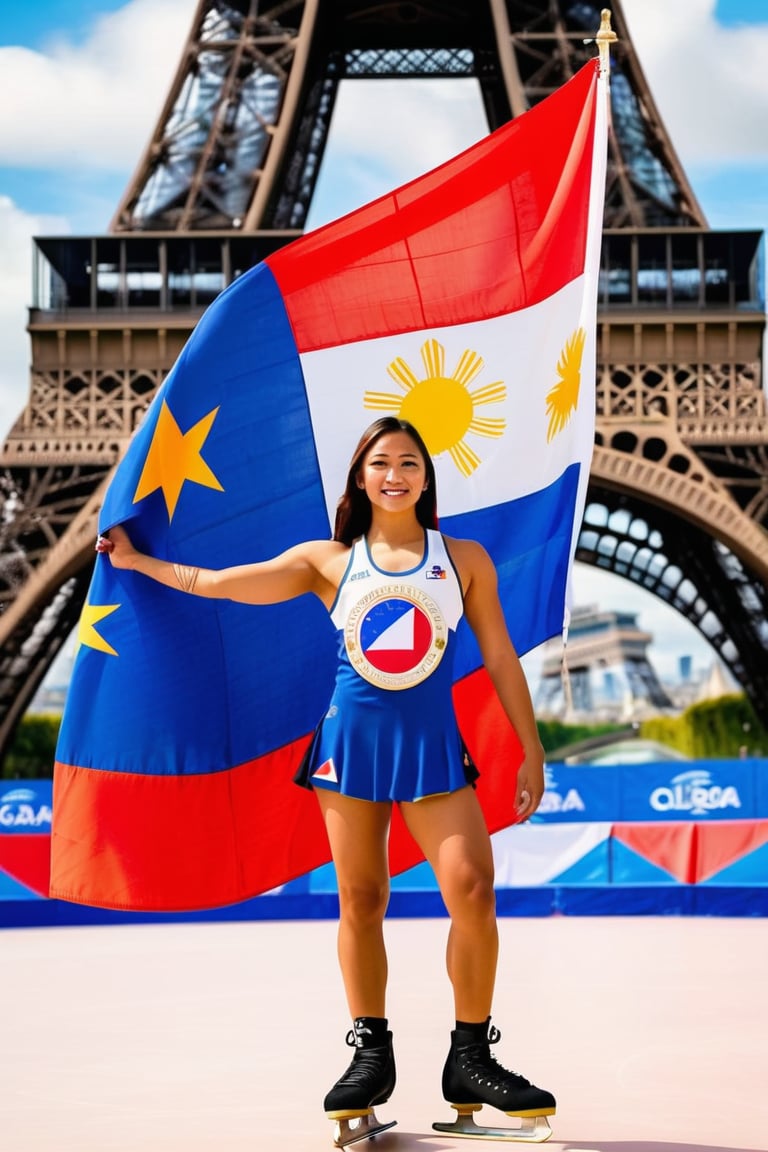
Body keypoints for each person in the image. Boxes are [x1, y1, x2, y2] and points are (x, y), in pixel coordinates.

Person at [98, 415, 555, 1144]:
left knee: (473, 888)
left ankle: (471, 1055)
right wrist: (137, 565)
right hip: (352, 749)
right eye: (382, 462)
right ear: (361, 477)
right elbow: (217, 584)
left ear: (426, 477)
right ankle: (370, 1052)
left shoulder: (463, 558)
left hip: (433, 747)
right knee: (362, 898)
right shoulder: (328, 562)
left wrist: (530, 748)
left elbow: (499, 655)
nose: (396, 474)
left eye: (410, 462)